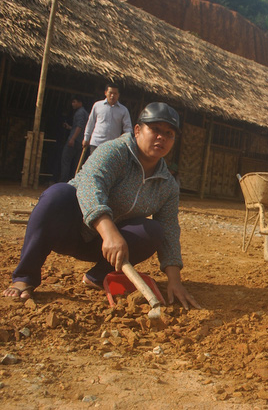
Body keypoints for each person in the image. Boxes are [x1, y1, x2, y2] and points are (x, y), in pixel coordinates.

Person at [3, 102, 201, 309]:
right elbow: (91, 184)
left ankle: (98, 277)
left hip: (106, 250)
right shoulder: (114, 151)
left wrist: (174, 281)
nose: (162, 137)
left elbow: (169, 230)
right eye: (155, 129)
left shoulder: (167, 185)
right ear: (137, 130)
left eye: (169, 133)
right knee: (57, 194)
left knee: (154, 230)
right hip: (69, 230)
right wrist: (109, 232)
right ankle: (25, 277)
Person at [83, 83, 132, 154]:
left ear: (118, 95)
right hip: (96, 143)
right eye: (110, 93)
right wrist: (86, 138)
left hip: (112, 146)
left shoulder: (123, 110)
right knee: (95, 164)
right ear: (105, 93)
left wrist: (128, 142)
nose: (112, 96)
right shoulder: (97, 105)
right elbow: (91, 122)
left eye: (115, 93)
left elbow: (128, 128)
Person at [59, 95, 89, 182]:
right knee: (77, 164)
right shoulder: (85, 113)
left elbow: (79, 126)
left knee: (65, 161)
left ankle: (63, 182)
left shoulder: (79, 113)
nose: (72, 104)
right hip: (81, 141)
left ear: (80, 103)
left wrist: (72, 138)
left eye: (74, 102)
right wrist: (70, 127)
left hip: (75, 140)